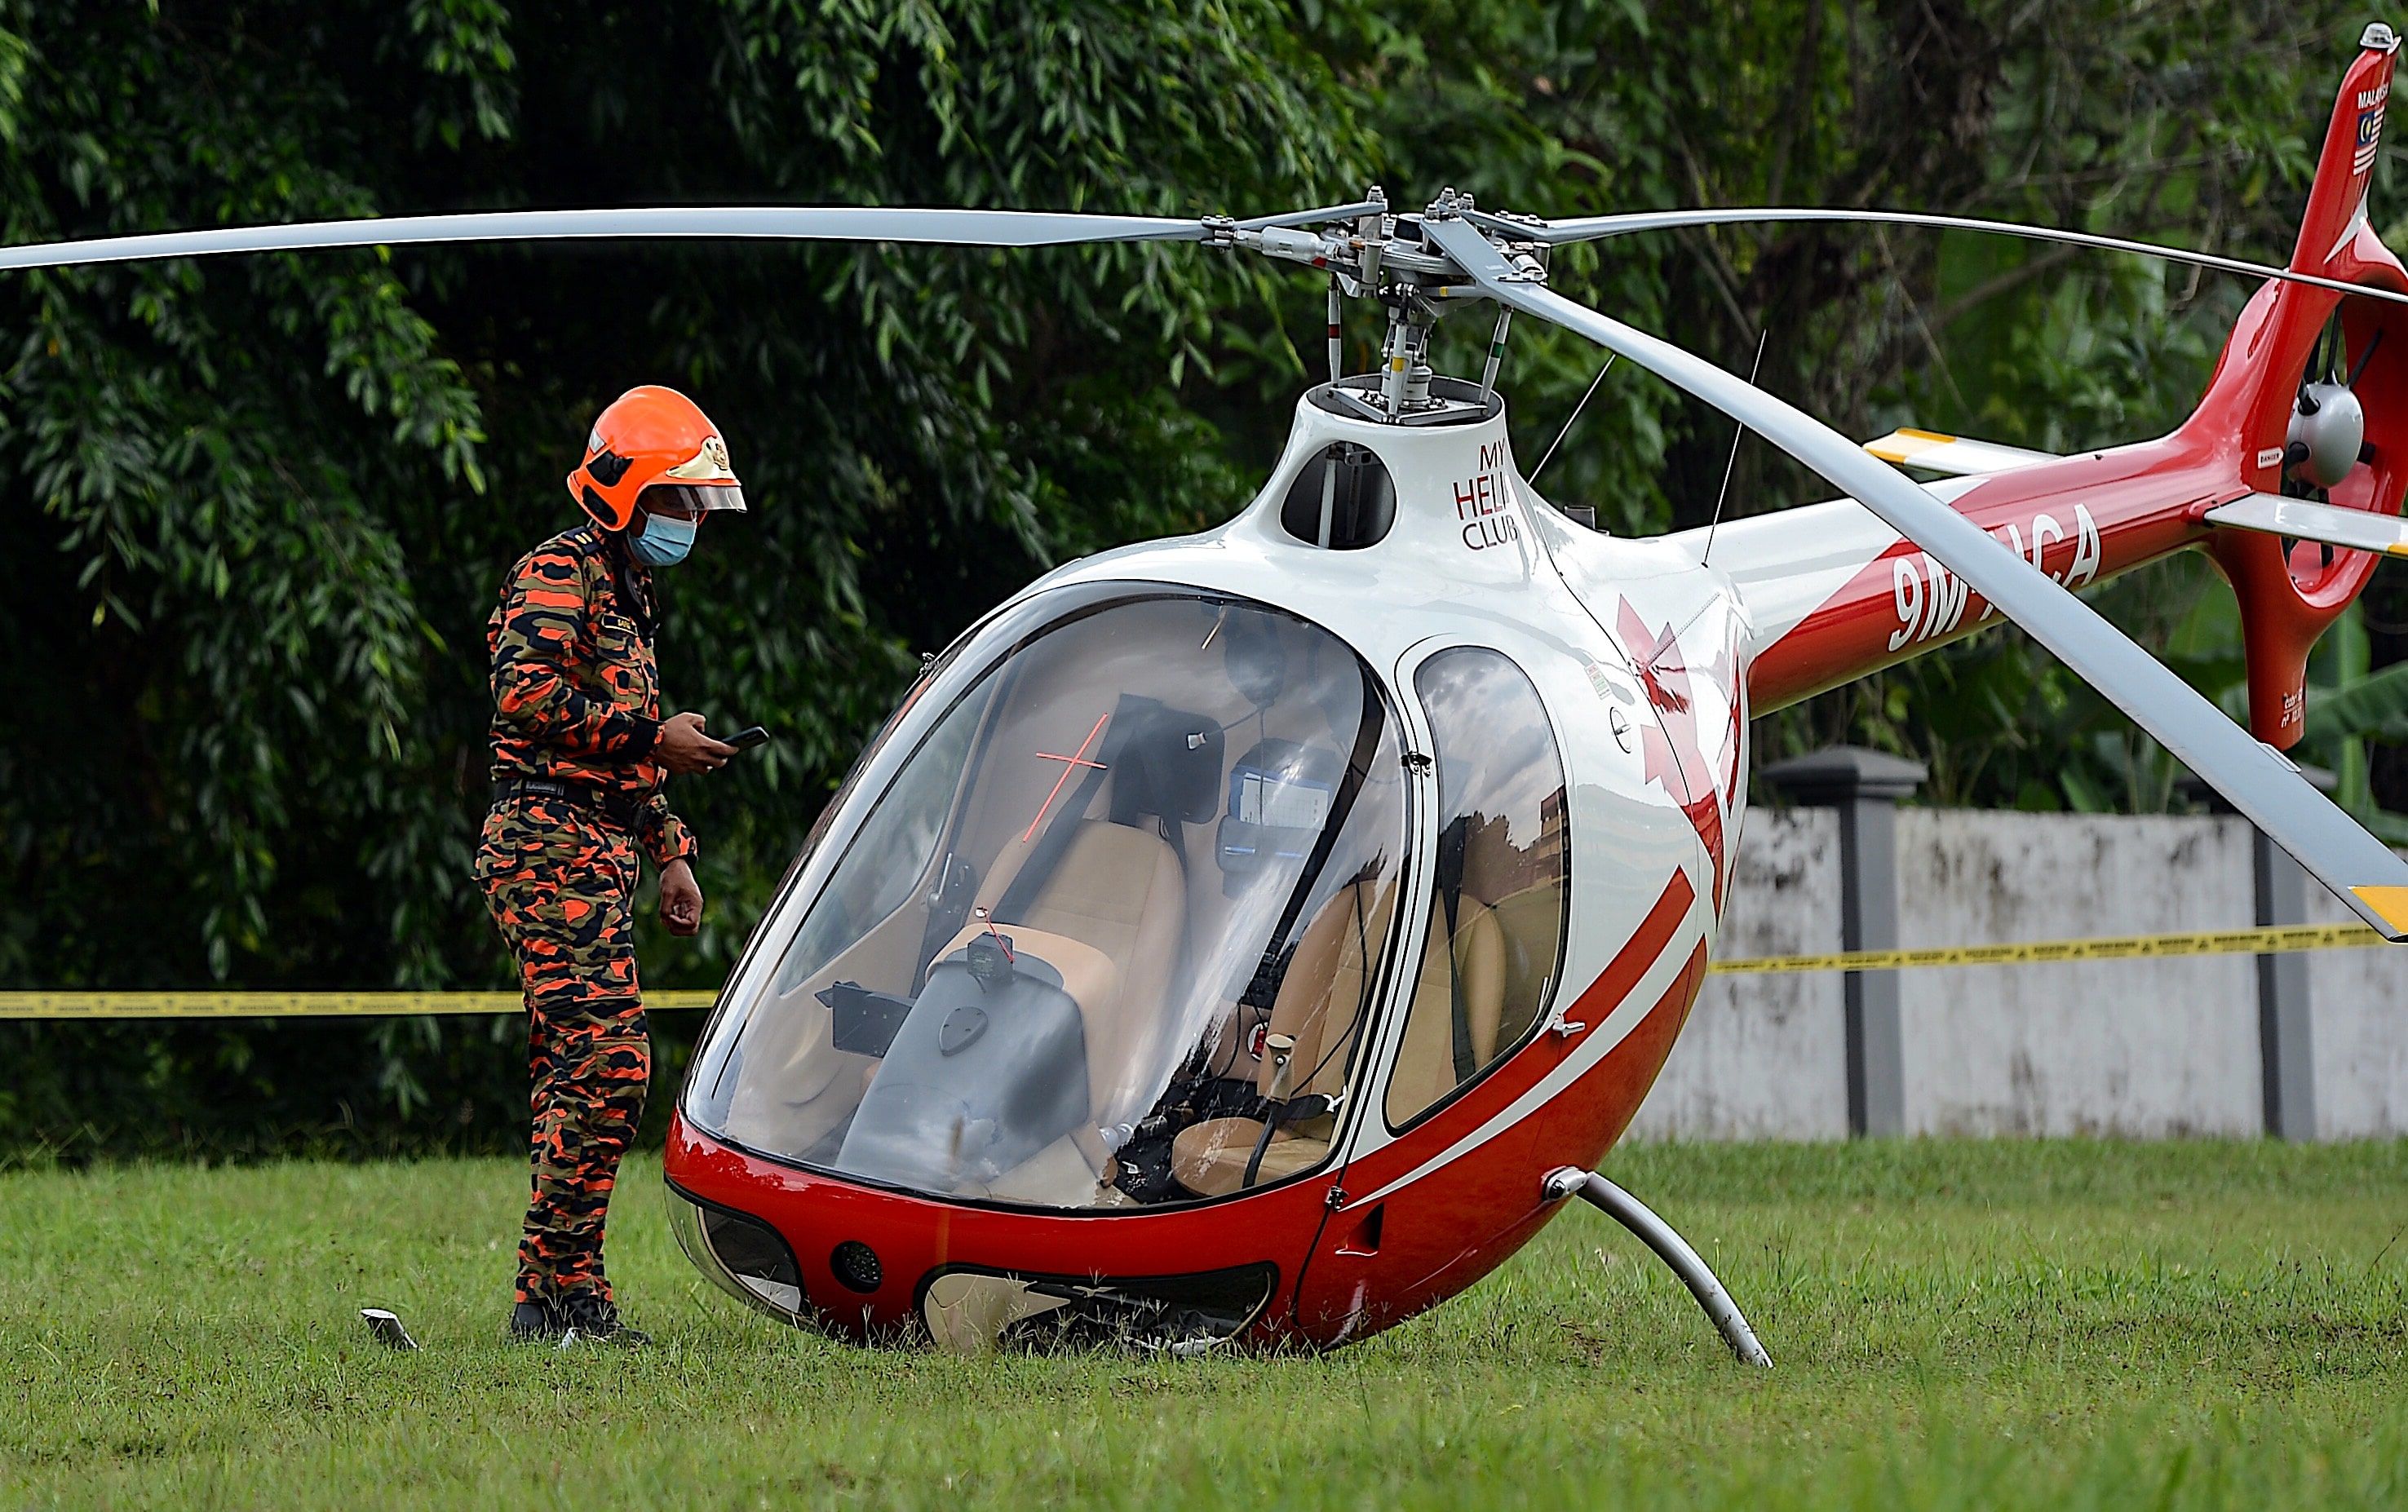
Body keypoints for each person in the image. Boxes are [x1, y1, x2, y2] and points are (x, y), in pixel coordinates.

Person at [476, 386, 746, 1345]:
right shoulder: (561, 569)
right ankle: (558, 1297)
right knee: (610, 1066)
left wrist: (669, 848)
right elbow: (524, 694)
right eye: (677, 501)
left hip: (592, 846)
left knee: (581, 1074)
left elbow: (620, 757)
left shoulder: (630, 600)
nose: (690, 522)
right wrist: (649, 735)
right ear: (625, 493)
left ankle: (557, 1299)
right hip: (546, 842)